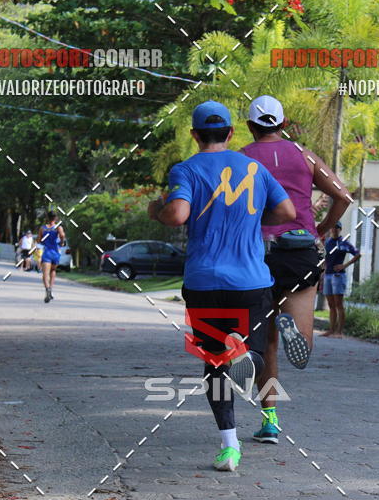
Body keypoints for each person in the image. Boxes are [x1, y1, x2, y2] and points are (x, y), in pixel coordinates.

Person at [148, 100, 295, 472]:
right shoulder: (255, 169)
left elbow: (178, 213)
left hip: (204, 282)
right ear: (231, 133)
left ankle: (229, 447)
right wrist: (252, 216)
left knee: (214, 364)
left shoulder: (186, 169)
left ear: (195, 135)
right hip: (251, 281)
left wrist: (157, 211)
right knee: (254, 353)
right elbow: (288, 213)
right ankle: (244, 358)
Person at [240, 95, 351, 443]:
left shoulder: (241, 158)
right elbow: (343, 197)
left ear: (249, 126)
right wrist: (319, 231)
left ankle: (270, 420)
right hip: (301, 250)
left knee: (263, 344)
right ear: (284, 124)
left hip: (256, 253)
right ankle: (297, 332)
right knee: (299, 335)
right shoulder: (304, 155)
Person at [323, 221, 361, 337]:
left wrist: (344, 265)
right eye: (333, 227)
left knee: (338, 303)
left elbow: (357, 254)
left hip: (338, 276)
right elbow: (325, 258)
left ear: (340, 229)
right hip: (327, 275)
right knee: (331, 304)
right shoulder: (327, 242)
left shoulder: (343, 243)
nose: (334, 229)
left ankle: (339, 331)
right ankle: (331, 330)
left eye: (337, 228)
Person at [37, 211, 65, 302]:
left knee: (45, 274)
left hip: (47, 253)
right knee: (53, 270)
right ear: (55, 218)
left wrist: (43, 241)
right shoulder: (58, 227)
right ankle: (51, 289)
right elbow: (62, 235)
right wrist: (61, 242)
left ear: (47, 218)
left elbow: (39, 240)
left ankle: (48, 289)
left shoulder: (43, 228)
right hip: (56, 253)